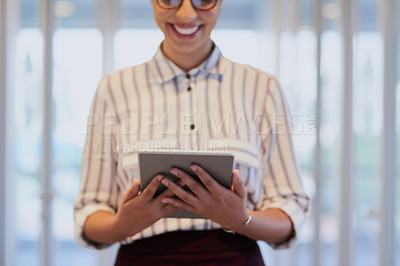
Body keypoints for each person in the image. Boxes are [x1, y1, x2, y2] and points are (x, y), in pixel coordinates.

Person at [74, 0, 311, 265]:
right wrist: (122, 224)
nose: (187, 13)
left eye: (203, 0)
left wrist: (241, 219)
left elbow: (290, 210)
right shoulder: (113, 90)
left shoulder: (262, 89)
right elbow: (89, 212)